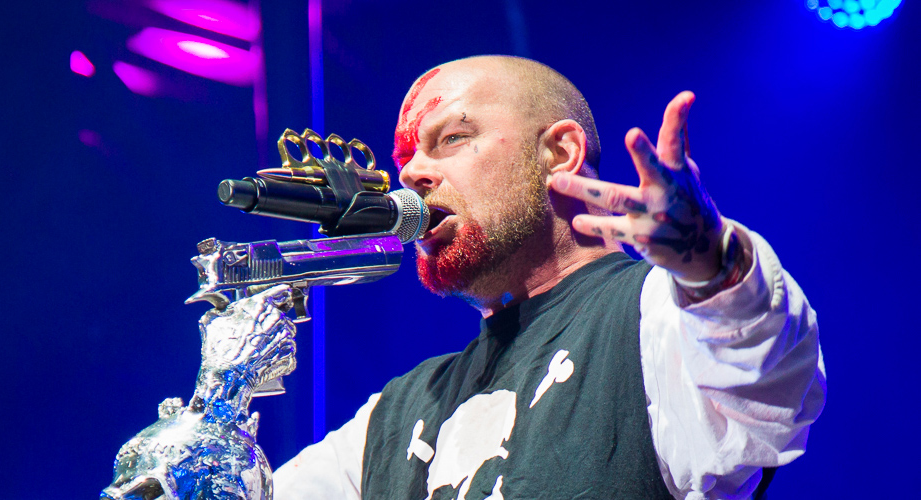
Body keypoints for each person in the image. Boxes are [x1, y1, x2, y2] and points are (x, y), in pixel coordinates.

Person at [271, 55, 826, 499]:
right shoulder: (396, 414)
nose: (412, 173)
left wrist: (711, 264)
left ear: (560, 152)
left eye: (453, 138)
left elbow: (764, 384)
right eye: (406, 158)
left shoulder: (655, 316)